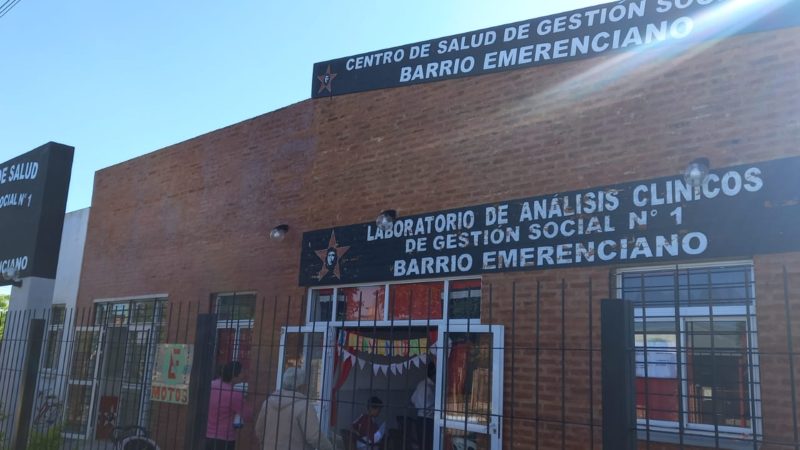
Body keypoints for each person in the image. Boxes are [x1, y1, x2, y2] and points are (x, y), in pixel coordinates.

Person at [256, 367, 334, 450]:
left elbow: (259, 430)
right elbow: (314, 437)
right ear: (301, 386)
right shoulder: (304, 406)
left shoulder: (268, 403)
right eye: (306, 385)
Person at [207, 361, 250, 450]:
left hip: (207, 435)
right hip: (225, 438)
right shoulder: (234, 394)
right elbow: (247, 415)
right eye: (242, 373)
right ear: (235, 375)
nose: (244, 376)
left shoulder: (211, 386)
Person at [410, 362, 436, 450]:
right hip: (428, 420)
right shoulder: (430, 388)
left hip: (420, 419)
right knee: (429, 444)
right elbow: (429, 405)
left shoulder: (420, 384)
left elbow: (412, 399)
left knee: (422, 444)